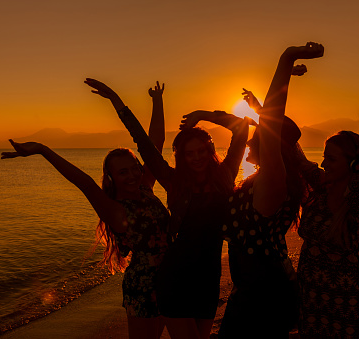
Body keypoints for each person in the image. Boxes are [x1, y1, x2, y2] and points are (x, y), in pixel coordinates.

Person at [1, 82, 170, 339]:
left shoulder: (146, 188)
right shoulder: (114, 209)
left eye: (134, 168)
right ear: (111, 177)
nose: (132, 175)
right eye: (122, 172)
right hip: (144, 285)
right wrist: (42, 150)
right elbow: (82, 181)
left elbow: (154, 143)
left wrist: (157, 101)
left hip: (172, 276)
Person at [84, 78, 249, 339]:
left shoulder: (226, 175)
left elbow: (241, 129)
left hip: (209, 276)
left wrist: (203, 115)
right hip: (175, 276)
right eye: (188, 154)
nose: (195, 158)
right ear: (180, 157)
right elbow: (144, 143)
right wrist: (117, 101)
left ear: (210, 150)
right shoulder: (174, 182)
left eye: (200, 152)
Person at [218, 42, 324, 338]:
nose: (250, 141)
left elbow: (273, 123)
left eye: (258, 137)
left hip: (264, 293)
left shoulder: (274, 180)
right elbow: (272, 126)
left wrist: (287, 57)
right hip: (258, 287)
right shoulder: (266, 178)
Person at [296, 102, 359, 338]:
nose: (323, 164)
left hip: (344, 294)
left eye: (330, 159)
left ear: (353, 163)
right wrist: (260, 109)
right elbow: (292, 148)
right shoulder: (320, 187)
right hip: (309, 291)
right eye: (324, 158)